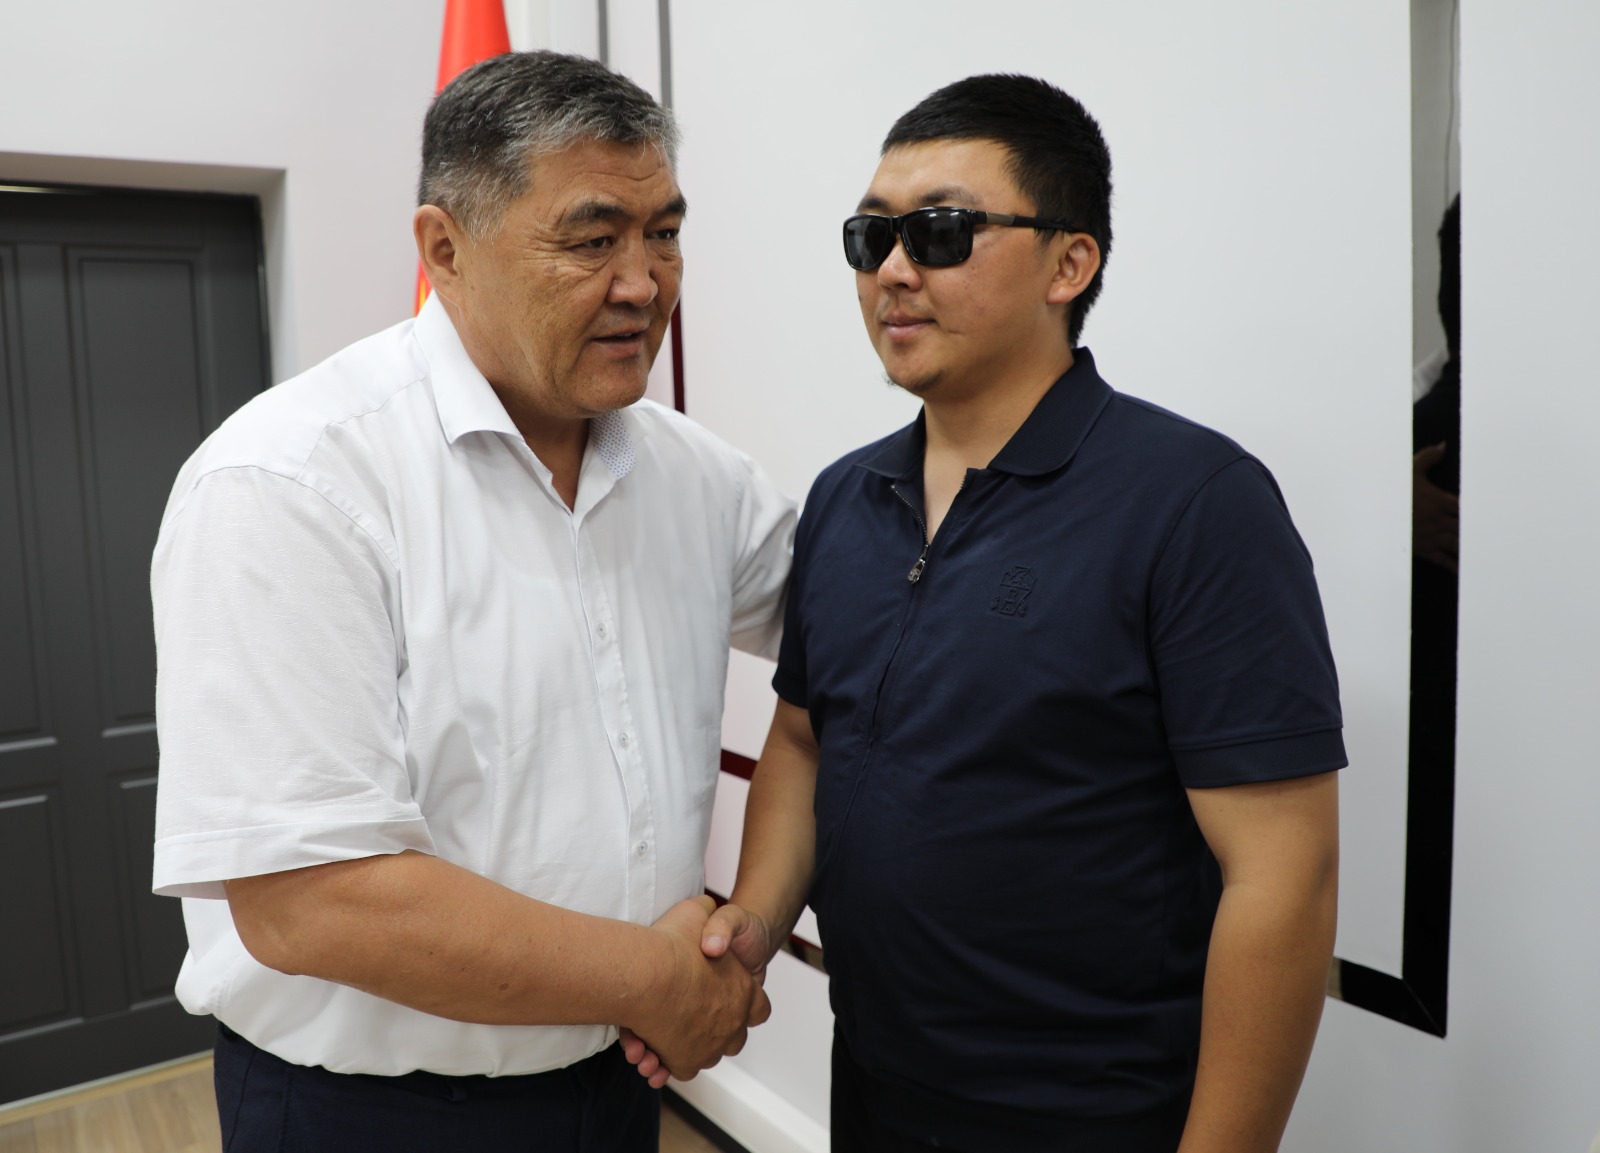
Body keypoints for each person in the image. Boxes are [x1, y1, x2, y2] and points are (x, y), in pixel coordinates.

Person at [150, 51, 793, 1152]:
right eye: (591, 240)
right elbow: (311, 899)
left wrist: (748, 929)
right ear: (445, 249)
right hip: (372, 1113)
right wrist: (657, 976)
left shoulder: (700, 477)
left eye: (664, 233)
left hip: (616, 1081)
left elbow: (858, 638)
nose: (643, 283)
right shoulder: (293, 479)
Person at [694, 74, 1345, 1152]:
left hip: (1093, 1114)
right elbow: (805, 743)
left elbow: (1284, 874)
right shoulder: (849, 496)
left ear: (1068, 263)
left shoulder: (1194, 502)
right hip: (874, 1090)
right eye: (871, 236)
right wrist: (754, 929)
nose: (893, 270)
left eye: (941, 231)